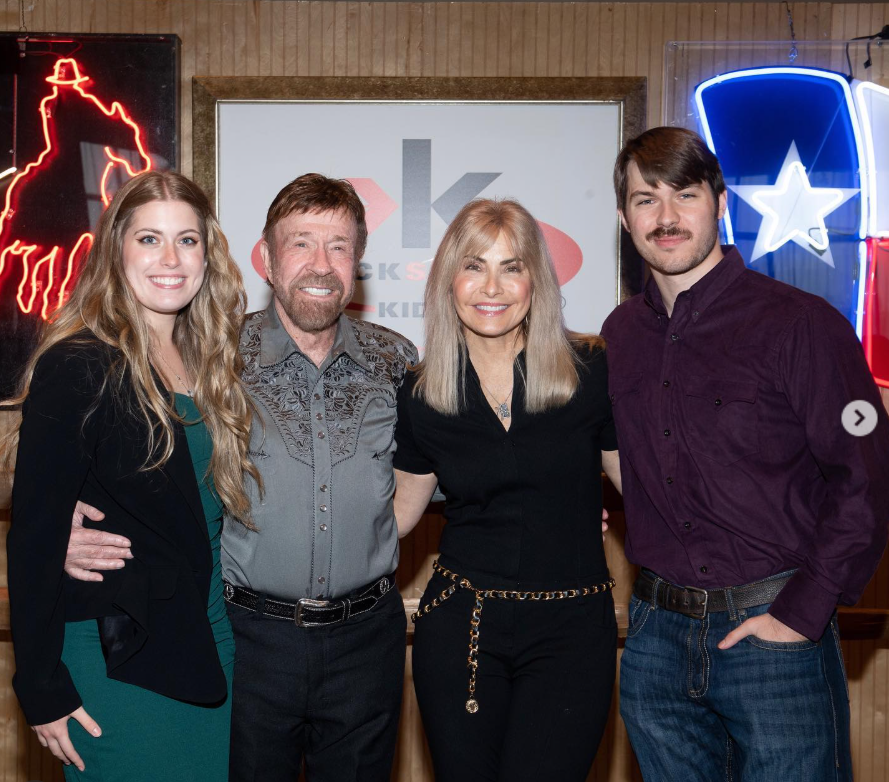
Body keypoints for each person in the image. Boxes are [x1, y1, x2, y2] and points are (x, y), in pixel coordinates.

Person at [65, 173, 417, 781]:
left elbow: (453, 460)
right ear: (267, 258)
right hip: (249, 639)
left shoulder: (399, 361)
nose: (320, 263)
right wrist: (62, 516)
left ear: (358, 260)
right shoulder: (214, 355)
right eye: (300, 242)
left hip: (368, 641)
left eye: (338, 245)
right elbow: (111, 451)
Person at [602, 126, 889, 780]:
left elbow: (866, 480)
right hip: (653, 643)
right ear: (623, 218)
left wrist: (802, 613)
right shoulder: (619, 336)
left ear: (721, 203)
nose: (666, 217)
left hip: (776, 632)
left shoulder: (800, 324)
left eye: (685, 194)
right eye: (645, 200)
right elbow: (609, 456)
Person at [1, 169, 258, 781]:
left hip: (211, 639)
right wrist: (41, 685)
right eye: (148, 239)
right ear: (116, 251)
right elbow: (34, 538)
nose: (170, 258)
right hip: (118, 655)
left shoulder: (214, 363)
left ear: (207, 253)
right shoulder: (80, 364)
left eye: (187, 240)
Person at [393, 198, 621, 781]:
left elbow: (649, 494)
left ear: (535, 281)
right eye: (474, 265)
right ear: (449, 281)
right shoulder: (422, 392)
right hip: (462, 628)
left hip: (572, 630)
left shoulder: (591, 369)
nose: (491, 286)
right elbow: (396, 516)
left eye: (511, 267)